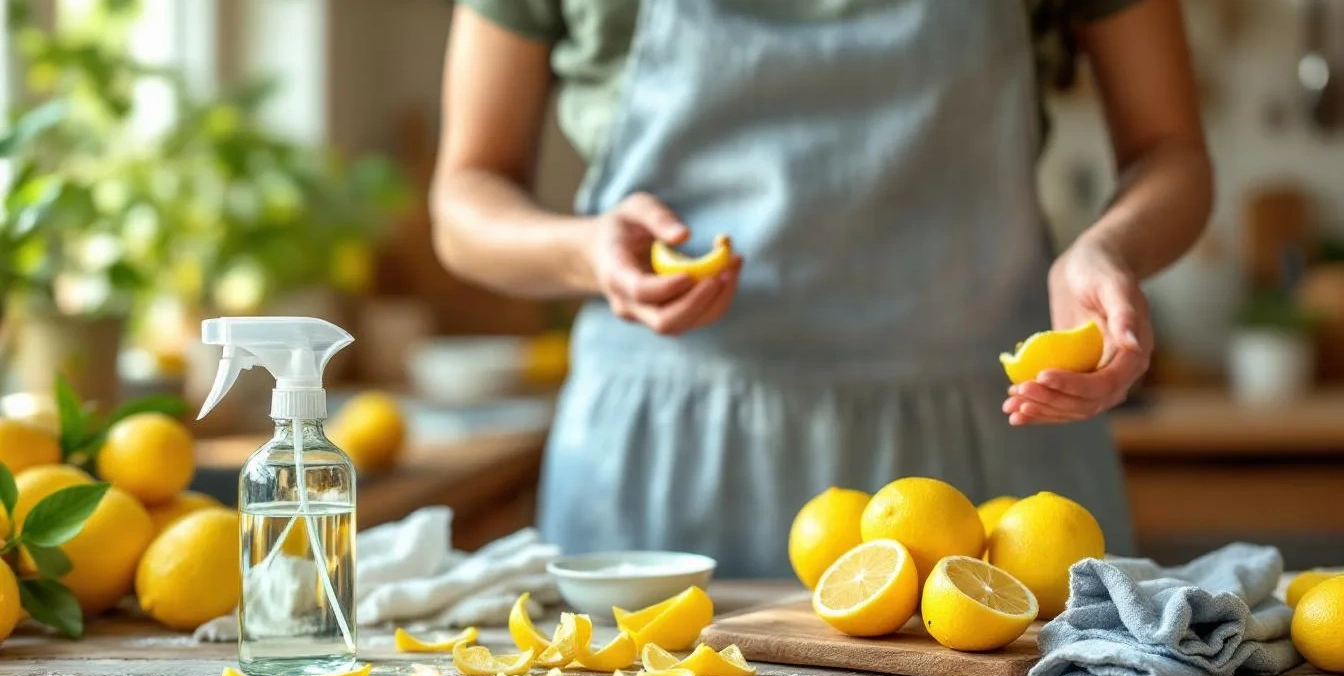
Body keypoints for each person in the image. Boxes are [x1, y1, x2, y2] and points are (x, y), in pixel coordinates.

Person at [431, 0, 1212, 577]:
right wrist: (582, 253)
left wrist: (1109, 247)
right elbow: (464, 198)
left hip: (993, 445)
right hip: (659, 461)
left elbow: (1171, 151)